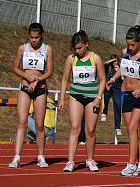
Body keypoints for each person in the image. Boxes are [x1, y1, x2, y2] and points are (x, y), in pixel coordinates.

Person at [106, 25, 140, 176]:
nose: (130, 47)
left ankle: (131, 164)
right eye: (128, 44)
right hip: (125, 94)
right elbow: (123, 68)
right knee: (131, 131)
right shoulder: (125, 52)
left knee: (133, 127)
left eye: (133, 44)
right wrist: (113, 79)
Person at [58, 31, 106, 172]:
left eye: (79, 48)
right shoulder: (71, 59)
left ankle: (90, 159)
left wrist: (98, 97)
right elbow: (65, 79)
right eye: (75, 48)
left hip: (92, 98)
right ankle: (70, 161)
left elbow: (102, 79)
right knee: (74, 128)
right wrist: (61, 98)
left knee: (90, 130)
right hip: (75, 96)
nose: (77, 51)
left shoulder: (95, 58)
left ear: (86, 44)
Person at [9, 22, 54, 168]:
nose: (34, 40)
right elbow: (15, 67)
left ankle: (41, 156)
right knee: (22, 122)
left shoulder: (47, 49)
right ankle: (16, 157)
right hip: (25, 87)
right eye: (31, 37)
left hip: (40, 88)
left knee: (39, 124)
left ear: (41, 36)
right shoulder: (22, 48)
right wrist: (26, 77)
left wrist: (38, 80)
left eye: (36, 38)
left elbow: (50, 71)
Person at [102, 55, 123, 136]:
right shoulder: (108, 68)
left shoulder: (120, 68)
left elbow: (123, 79)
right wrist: (111, 61)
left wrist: (119, 72)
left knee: (117, 105)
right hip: (108, 87)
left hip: (117, 89)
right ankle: (104, 112)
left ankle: (118, 127)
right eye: (113, 61)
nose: (114, 62)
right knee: (106, 97)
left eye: (116, 60)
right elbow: (104, 64)